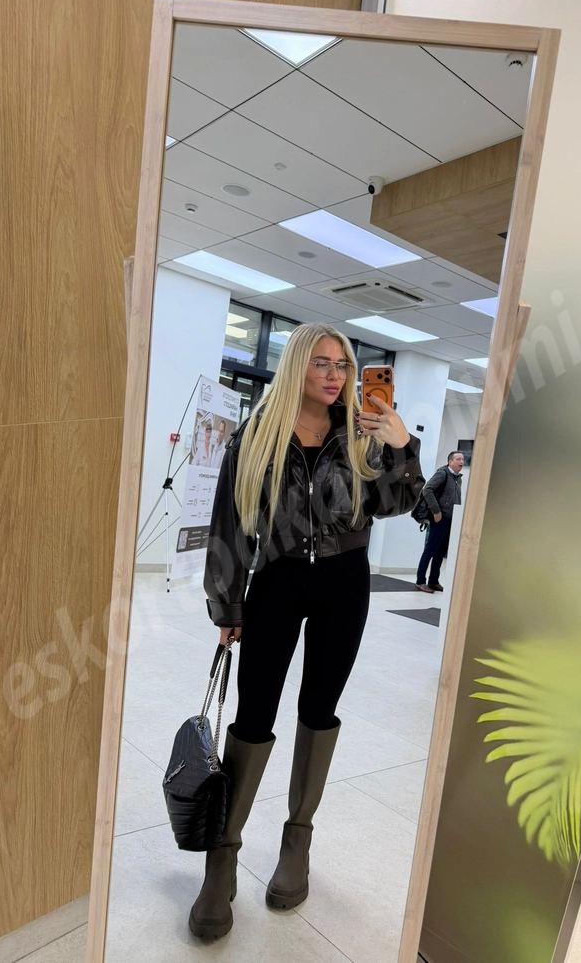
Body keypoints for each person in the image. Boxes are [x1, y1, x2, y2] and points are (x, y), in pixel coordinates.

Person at [191, 323, 423, 939]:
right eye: (321, 363)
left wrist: (402, 444)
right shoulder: (256, 436)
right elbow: (228, 523)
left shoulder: (362, 435)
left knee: (319, 710)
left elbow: (399, 503)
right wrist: (226, 605)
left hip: (345, 582)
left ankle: (297, 842)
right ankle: (222, 858)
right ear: (297, 366)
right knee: (253, 715)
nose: (334, 375)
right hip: (276, 579)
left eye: (342, 365)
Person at [415, 451, 464, 594]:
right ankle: (420, 581)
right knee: (430, 550)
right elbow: (427, 490)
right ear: (450, 462)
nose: (461, 462)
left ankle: (433, 581)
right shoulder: (442, 474)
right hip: (440, 518)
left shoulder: (458, 478)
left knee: (441, 551)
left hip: (450, 519)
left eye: (462, 459)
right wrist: (436, 511)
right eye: (458, 459)